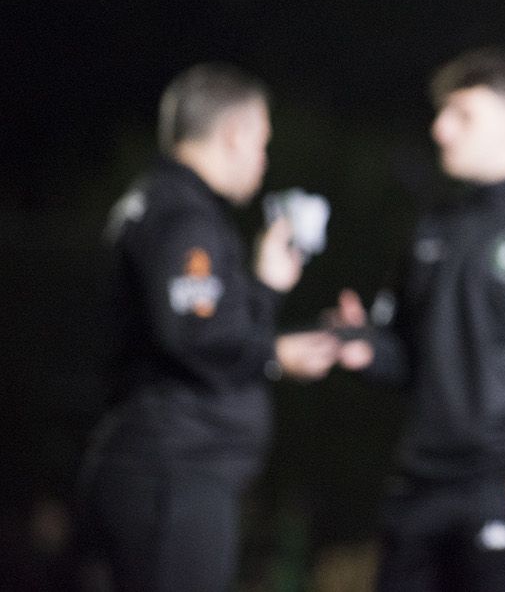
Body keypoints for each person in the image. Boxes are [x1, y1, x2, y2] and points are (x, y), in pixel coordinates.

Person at [332, 47, 505, 592]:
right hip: (417, 489)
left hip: (501, 489)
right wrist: (365, 349)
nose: (440, 130)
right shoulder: (432, 231)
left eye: (462, 116)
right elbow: (406, 356)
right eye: (442, 114)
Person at [76, 62, 338, 592]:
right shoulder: (183, 215)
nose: (263, 161)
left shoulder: (159, 202)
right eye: (262, 143)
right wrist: (276, 354)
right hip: (171, 472)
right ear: (235, 134)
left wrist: (264, 287)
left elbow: (202, 324)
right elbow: (192, 337)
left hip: (159, 466)